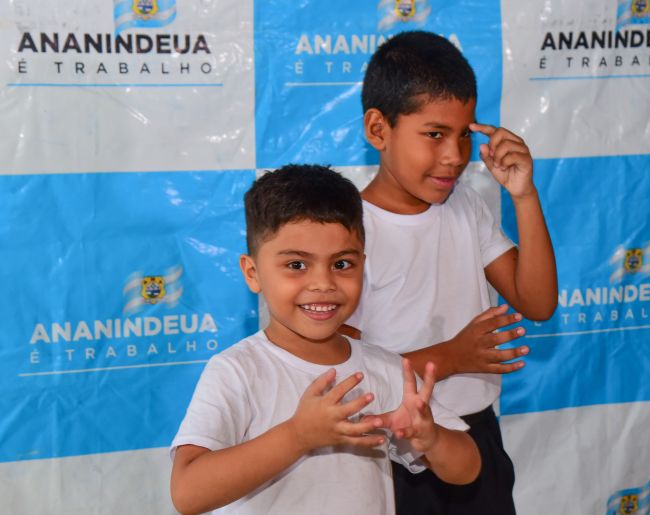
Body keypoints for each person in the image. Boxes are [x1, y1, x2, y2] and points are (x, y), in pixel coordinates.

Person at [169, 164, 481, 515]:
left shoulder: (383, 368)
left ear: (364, 265)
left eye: (342, 264)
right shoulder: (237, 371)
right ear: (252, 273)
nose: (323, 283)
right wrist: (297, 436)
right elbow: (187, 492)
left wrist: (432, 438)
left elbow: (467, 469)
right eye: (297, 265)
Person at [343, 31, 558, 514]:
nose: (455, 155)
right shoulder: (347, 231)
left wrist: (523, 195)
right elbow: (345, 373)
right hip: (387, 452)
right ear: (378, 130)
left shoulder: (466, 205)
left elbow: (539, 302)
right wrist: (451, 357)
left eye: (464, 134)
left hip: (474, 436)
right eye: (435, 134)